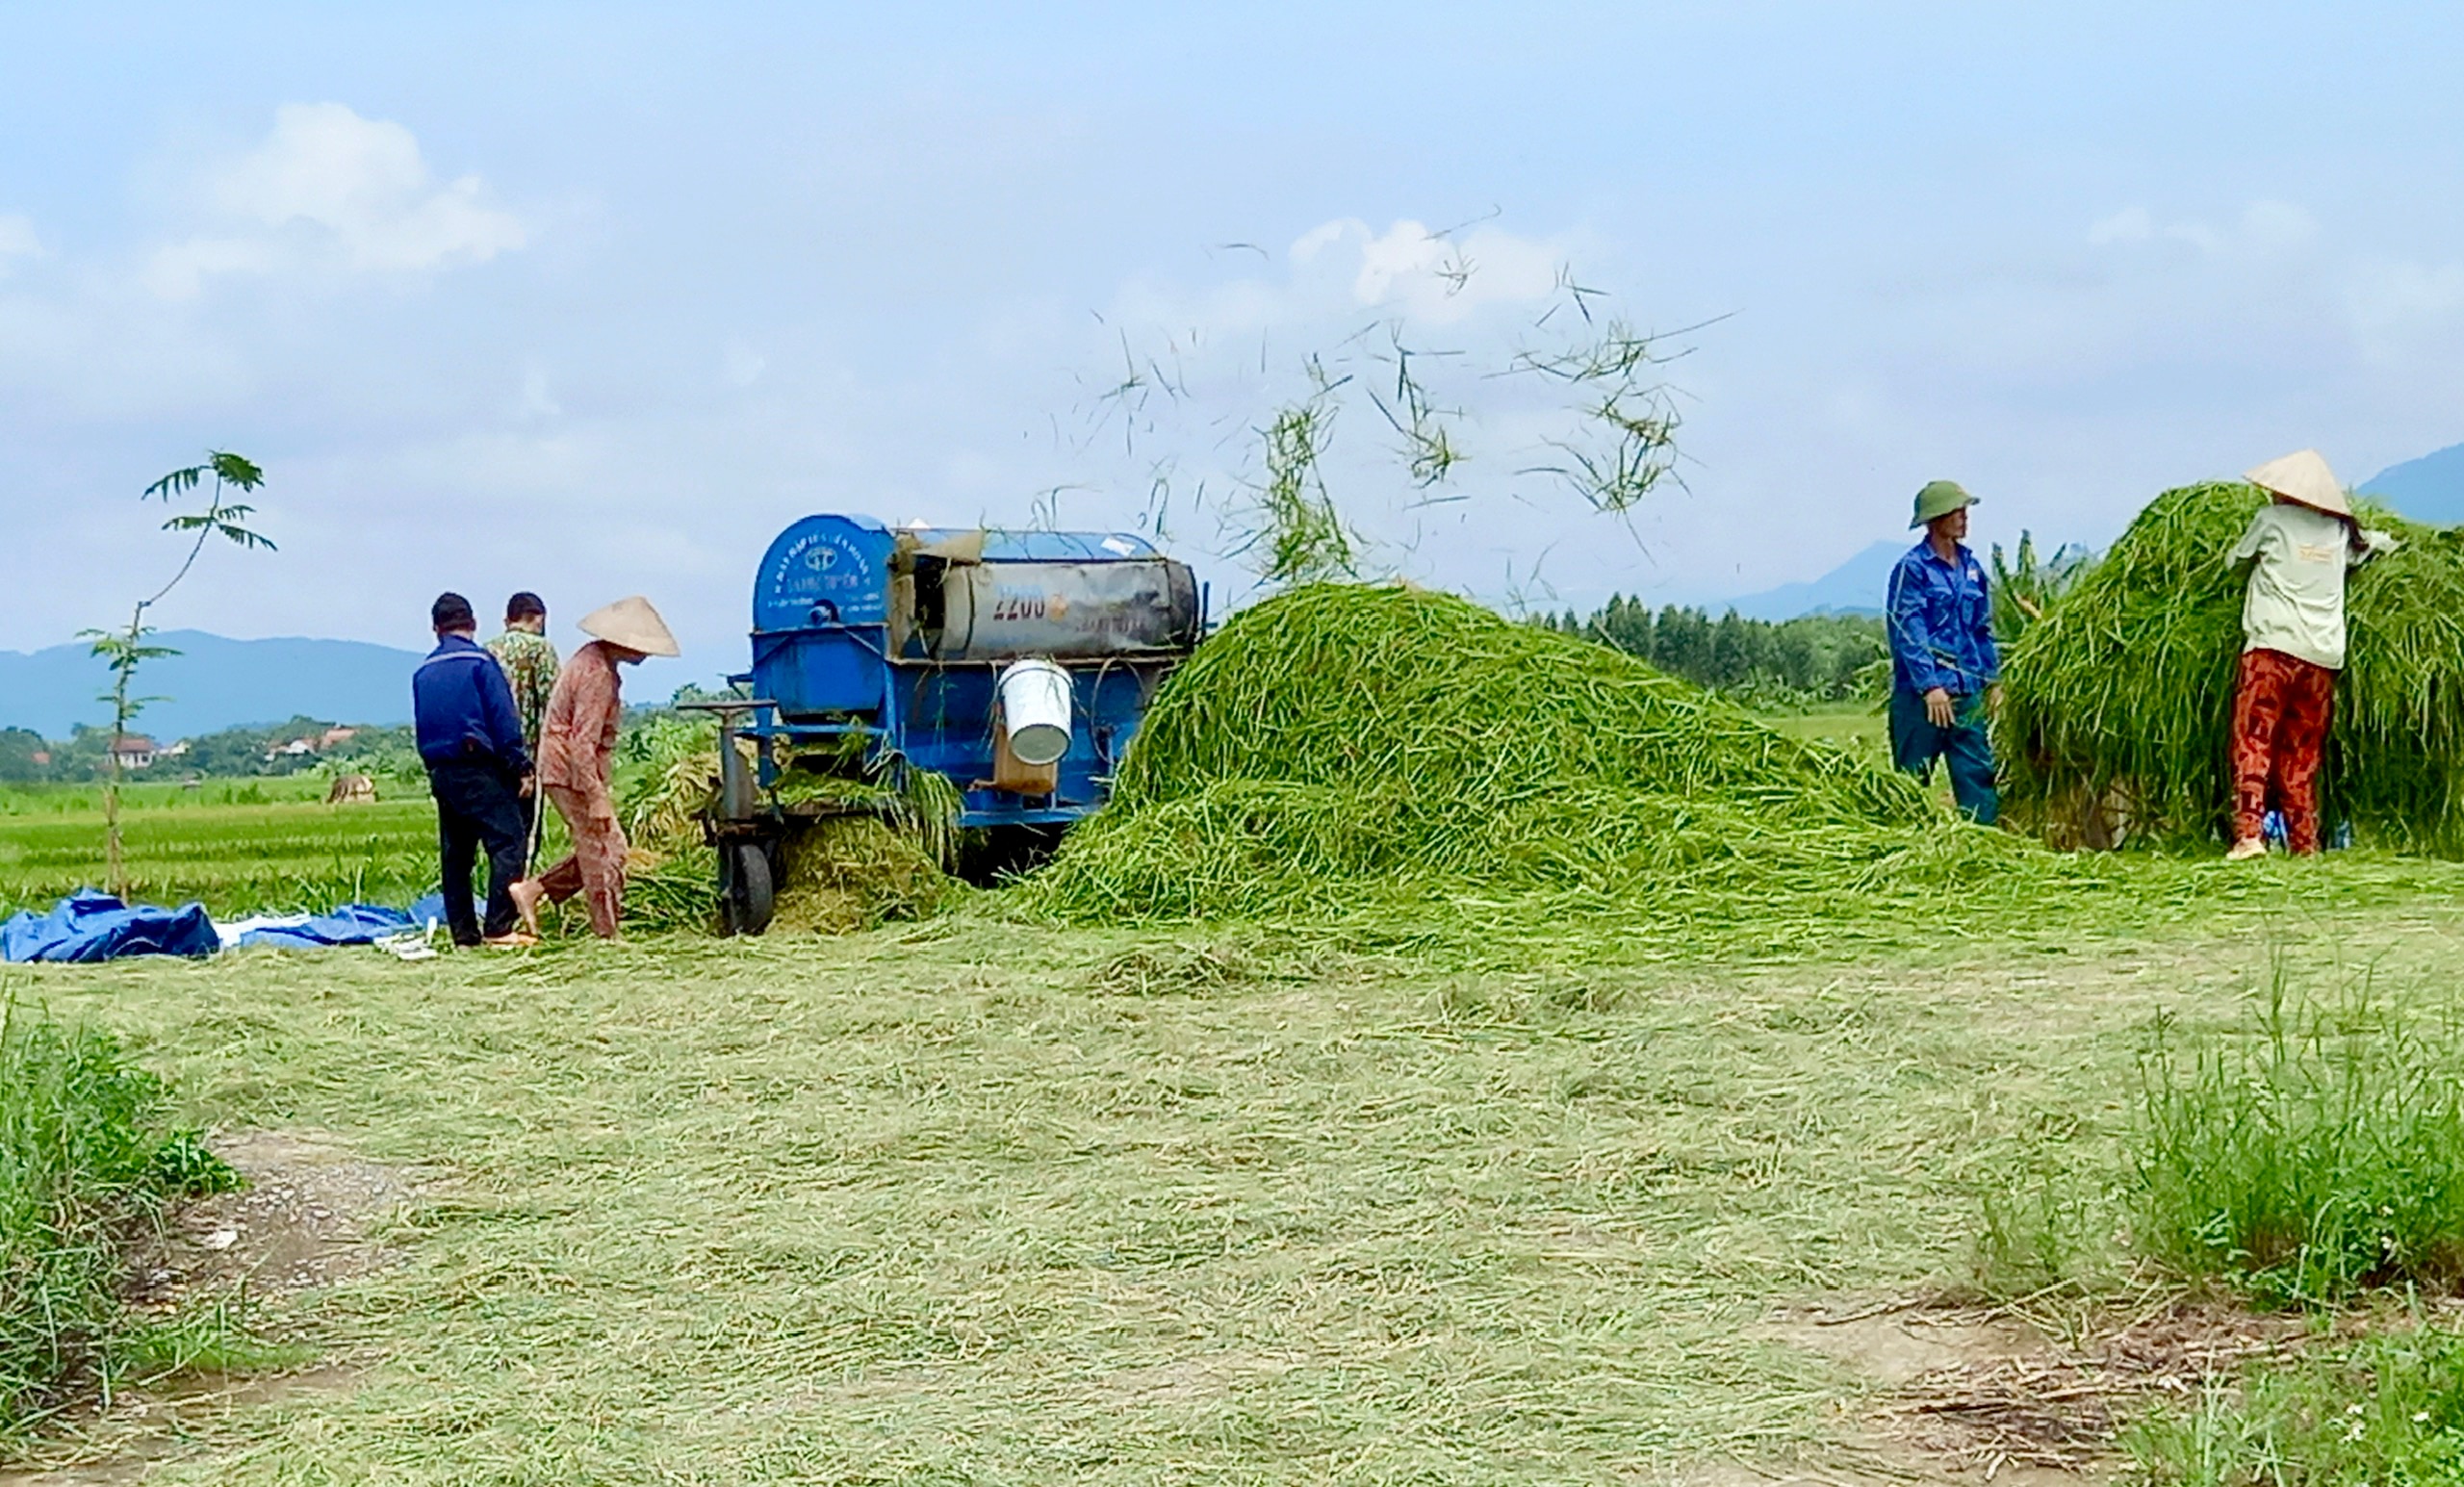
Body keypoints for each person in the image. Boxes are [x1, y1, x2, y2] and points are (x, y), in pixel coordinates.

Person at [2223, 449, 2398, 861]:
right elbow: (2373, 548)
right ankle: (2305, 846)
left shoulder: (2270, 522)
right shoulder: (2340, 532)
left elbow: (2234, 562)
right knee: (2302, 752)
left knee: (2255, 739)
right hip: (2321, 658)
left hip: (2272, 650)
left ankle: (2250, 836)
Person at [510, 596, 680, 938]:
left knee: (600, 846)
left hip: (566, 769)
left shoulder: (595, 661)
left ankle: (534, 890)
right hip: (567, 771)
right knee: (606, 851)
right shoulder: (597, 674)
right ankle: (607, 934)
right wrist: (596, 795)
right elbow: (581, 743)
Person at [412, 592, 537, 948]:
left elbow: (423, 724)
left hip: (441, 769)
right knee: (508, 841)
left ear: (436, 629)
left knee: (457, 855)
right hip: (478, 764)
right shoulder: (480, 663)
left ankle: (464, 934)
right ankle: (499, 927)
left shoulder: (423, 670)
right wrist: (520, 765)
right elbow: (502, 717)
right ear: (473, 623)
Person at [1886, 479, 2001, 824]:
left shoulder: (1972, 567)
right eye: (1957, 511)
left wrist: (1992, 680)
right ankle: (1906, 850)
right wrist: (1930, 686)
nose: (1965, 518)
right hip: (1922, 700)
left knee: (1978, 776)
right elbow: (1909, 631)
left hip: (1967, 693)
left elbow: (1981, 629)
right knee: (1911, 783)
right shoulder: (1914, 569)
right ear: (1936, 518)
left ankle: (1983, 850)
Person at [486, 592, 561, 760]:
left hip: (494, 753)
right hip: (529, 752)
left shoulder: (487, 649)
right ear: (539, 619)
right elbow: (553, 702)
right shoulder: (541, 648)